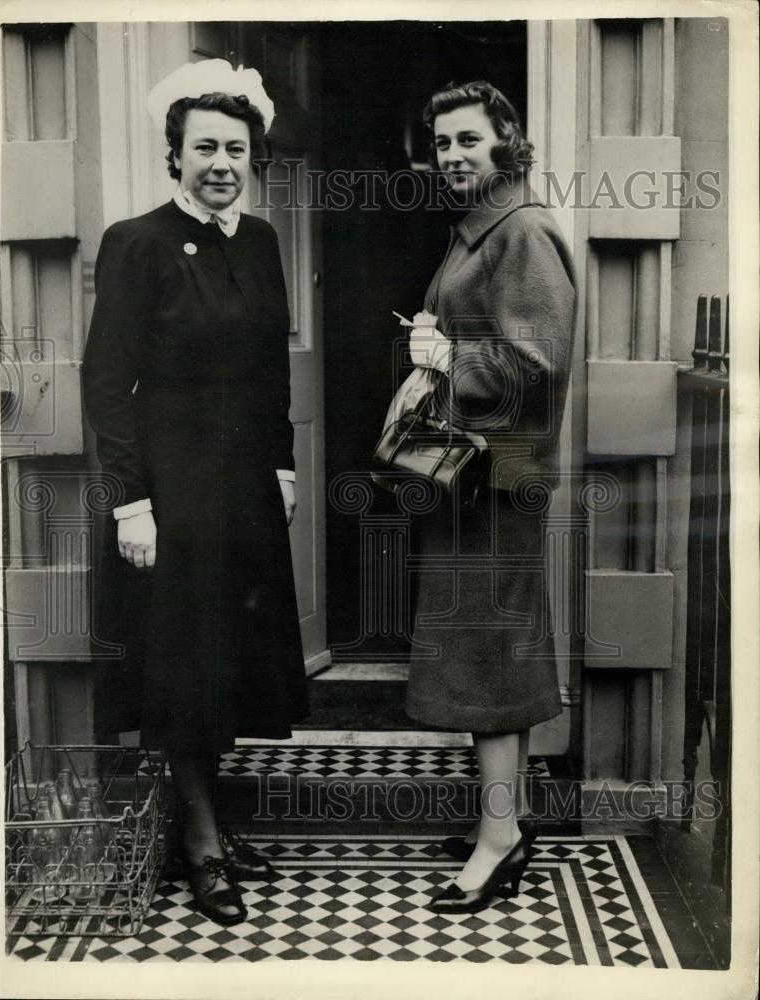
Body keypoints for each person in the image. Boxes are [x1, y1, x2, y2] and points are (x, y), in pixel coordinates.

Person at [82, 60, 309, 926]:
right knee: (180, 664)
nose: (221, 162)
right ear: (172, 156)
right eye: (204, 147)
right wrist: (129, 504)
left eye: (236, 148)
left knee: (227, 657)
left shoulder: (258, 240)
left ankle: (201, 815)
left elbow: (270, 370)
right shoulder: (136, 242)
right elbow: (105, 383)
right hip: (169, 487)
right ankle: (203, 842)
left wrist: (282, 468)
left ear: (253, 157)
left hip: (243, 484)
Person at [402, 80, 577, 913]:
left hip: (499, 483)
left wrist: (444, 357)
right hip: (471, 481)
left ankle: (501, 839)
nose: (452, 156)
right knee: (481, 655)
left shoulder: (525, 234)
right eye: (441, 145)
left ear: (507, 138)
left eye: (467, 139)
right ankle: (499, 816)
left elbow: (536, 372)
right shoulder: (484, 234)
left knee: (492, 660)